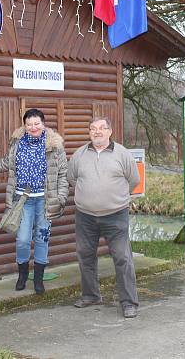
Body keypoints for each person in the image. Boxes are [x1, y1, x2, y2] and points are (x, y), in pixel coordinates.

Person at [0, 108, 68, 294]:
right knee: (23, 240)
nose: (33, 127)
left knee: (42, 239)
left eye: (36, 123)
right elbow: (5, 163)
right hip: (22, 200)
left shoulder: (55, 146)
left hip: (45, 201)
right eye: (29, 124)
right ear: (24, 126)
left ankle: (38, 279)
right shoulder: (18, 143)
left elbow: (63, 174)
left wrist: (61, 197)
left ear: (43, 124)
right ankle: (22, 275)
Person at [68, 117, 141, 318]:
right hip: (85, 216)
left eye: (102, 128)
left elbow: (134, 180)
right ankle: (91, 295)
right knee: (85, 256)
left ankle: (129, 302)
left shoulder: (122, 154)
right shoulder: (79, 155)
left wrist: (115, 198)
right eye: (93, 129)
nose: (97, 132)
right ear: (89, 132)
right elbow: (72, 178)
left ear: (110, 131)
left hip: (115, 216)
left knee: (122, 257)